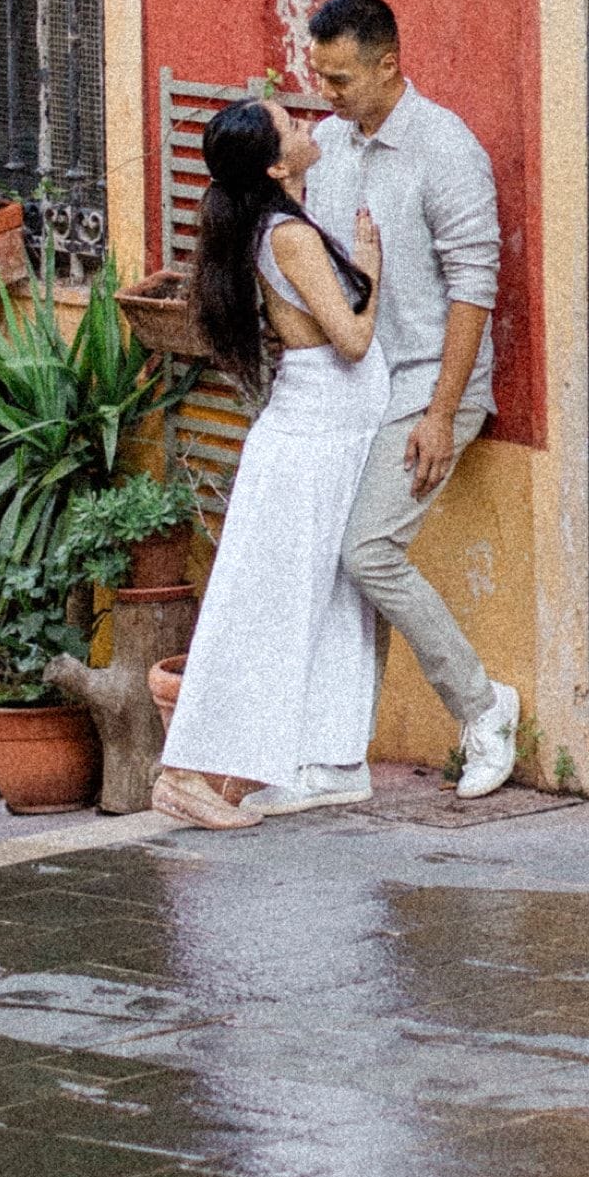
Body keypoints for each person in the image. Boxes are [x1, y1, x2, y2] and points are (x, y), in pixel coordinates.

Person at [302, 0, 522, 800]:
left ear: (390, 65)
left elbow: (475, 289)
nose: (326, 94)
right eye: (319, 76)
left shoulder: (445, 147)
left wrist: (440, 412)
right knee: (335, 562)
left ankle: (485, 707)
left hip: (432, 385)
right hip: (357, 389)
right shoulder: (329, 146)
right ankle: (337, 750)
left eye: (341, 79)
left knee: (367, 551)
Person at [151, 100, 387, 832]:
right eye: (290, 126)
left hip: (326, 435)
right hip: (313, 439)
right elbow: (348, 339)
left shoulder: (275, 225)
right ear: (277, 166)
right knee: (270, 610)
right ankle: (184, 772)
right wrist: (373, 273)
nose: (307, 123)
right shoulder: (287, 235)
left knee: (328, 600)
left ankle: (325, 759)